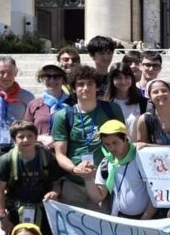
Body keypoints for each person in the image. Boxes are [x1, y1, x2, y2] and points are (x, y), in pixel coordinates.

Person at [51, 65, 124, 210]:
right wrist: (74, 169)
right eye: (80, 84)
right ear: (73, 88)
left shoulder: (111, 110)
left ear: (97, 87)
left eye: (90, 83)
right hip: (74, 184)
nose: (85, 88)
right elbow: (60, 153)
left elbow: (123, 143)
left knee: (104, 230)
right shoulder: (64, 115)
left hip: (104, 183)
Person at [0, 121, 65, 235]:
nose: (26, 140)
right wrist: (3, 218)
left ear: (36, 137)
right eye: (21, 137)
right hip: (15, 213)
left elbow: (56, 184)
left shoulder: (47, 158)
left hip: (42, 214)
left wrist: (54, 193)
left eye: (30, 136)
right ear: (14, 140)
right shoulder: (6, 160)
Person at [0, 56, 35, 156]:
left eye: (10, 72)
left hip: (18, 151)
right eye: (1, 72)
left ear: (16, 72)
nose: (6, 76)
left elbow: (31, 125)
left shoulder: (27, 97)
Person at [23, 64, 69, 147]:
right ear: (42, 79)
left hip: (67, 153)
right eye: (47, 76)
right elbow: (25, 133)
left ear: (63, 79)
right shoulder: (33, 105)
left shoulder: (72, 104)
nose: (52, 80)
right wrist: (41, 138)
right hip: (40, 154)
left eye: (57, 76)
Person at [103, 62, 147, 136]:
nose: (123, 81)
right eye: (118, 78)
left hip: (137, 146)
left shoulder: (143, 103)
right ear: (111, 80)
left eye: (126, 77)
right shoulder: (104, 105)